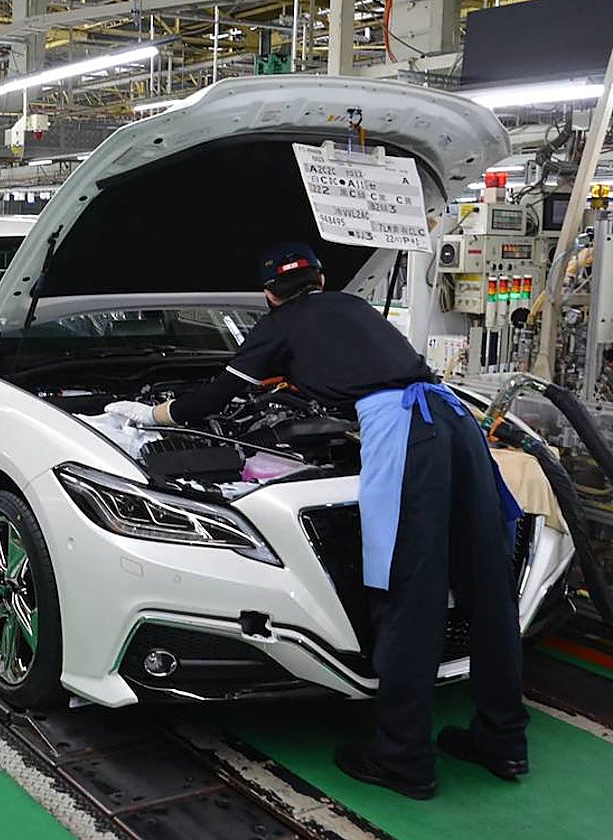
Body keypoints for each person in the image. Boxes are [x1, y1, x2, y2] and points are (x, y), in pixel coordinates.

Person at [105, 243, 529, 800]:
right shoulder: (354, 308)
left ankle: (403, 758)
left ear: (269, 295)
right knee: (486, 584)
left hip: (405, 432)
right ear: (323, 280)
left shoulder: (280, 325)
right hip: (452, 419)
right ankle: (503, 740)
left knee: (409, 590)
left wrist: (149, 415)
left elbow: (217, 398)